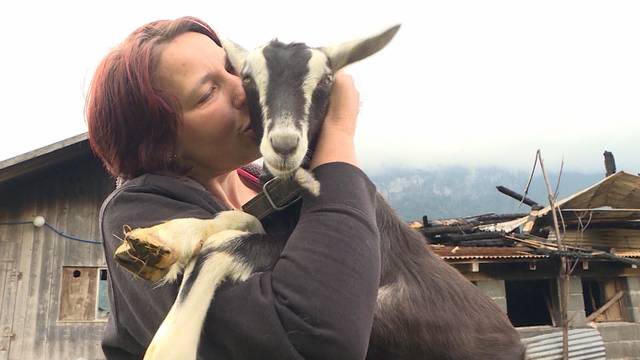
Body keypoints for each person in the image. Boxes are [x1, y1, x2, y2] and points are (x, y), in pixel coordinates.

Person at [86, 16, 381, 359]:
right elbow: (316, 340)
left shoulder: (276, 187)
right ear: (162, 143)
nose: (243, 89)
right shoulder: (140, 218)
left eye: (233, 68)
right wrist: (339, 133)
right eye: (208, 92)